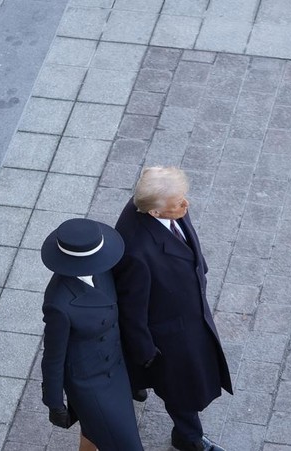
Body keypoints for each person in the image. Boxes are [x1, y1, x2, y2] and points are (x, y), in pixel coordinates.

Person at [113, 167, 232, 451]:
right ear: (154, 213)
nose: (186, 205)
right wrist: (146, 354)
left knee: (175, 381)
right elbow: (132, 310)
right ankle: (189, 438)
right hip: (169, 332)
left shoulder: (165, 204)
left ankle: (134, 384)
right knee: (182, 388)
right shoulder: (138, 253)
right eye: (178, 203)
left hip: (184, 311)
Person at [40, 218, 143, 451]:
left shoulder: (103, 269)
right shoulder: (58, 303)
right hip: (91, 385)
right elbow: (53, 357)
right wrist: (54, 402)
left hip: (116, 370)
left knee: (96, 434)